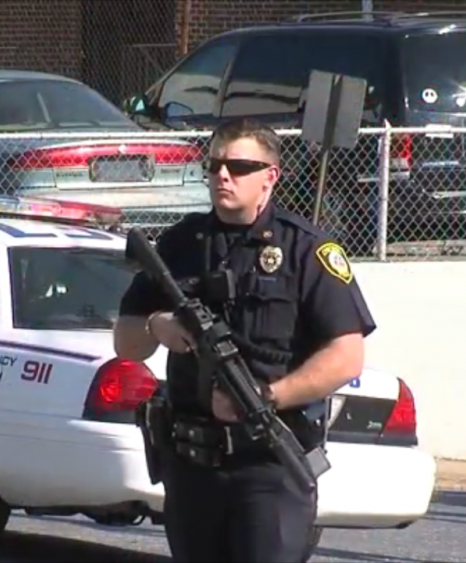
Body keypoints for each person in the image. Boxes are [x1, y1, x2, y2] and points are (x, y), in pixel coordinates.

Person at [113, 117, 377, 563]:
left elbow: (346, 356)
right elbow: (126, 342)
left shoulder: (306, 249)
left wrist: (268, 397)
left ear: (270, 176)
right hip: (192, 465)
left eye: (238, 166)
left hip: (269, 464)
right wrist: (158, 326)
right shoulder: (179, 245)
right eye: (214, 165)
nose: (222, 175)